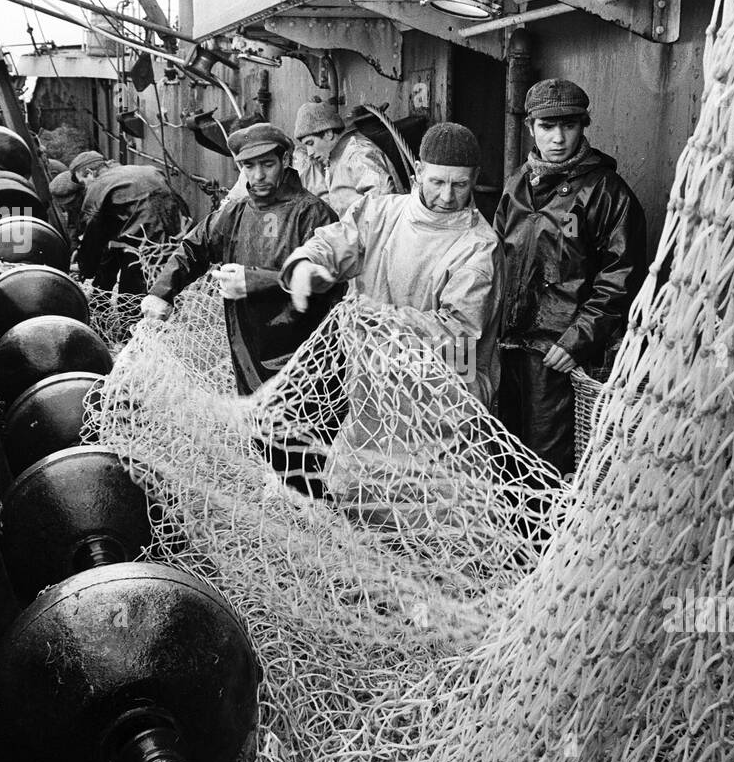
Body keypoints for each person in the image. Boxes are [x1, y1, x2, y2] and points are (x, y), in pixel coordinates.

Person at [142, 123, 343, 497]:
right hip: (249, 349)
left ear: (286, 160)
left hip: (305, 352)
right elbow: (193, 248)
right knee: (264, 438)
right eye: (247, 167)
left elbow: (331, 279)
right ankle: (292, 507)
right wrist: (161, 292)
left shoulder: (314, 214)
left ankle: (319, 522)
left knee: (303, 449)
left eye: (266, 164)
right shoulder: (233, 213)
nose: (257, 176)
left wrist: (257, 280)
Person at [282, 121, 502, 409]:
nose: (447, 197)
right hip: (372, 388)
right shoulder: (378, 212)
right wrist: (305, 262)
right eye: (437, 182)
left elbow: (458, 333)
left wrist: (378, 317)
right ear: (419, 171)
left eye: (459, 184)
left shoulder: (480, 245)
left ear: (475, 179)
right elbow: (332, 242)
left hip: (443, 399)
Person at [495, 79, 645, 476]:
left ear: (584, 126)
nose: (558, 138)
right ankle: (512, 537)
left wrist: (578, 340)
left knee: (550, 466)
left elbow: (621, 279)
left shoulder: (608, 192)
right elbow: (492, 263)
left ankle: (547, 540)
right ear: (531, 128)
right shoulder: (515, 187)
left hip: (559, 356)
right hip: (509, 346)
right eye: (547, 127)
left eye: (569, 125)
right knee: (505, 457)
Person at [69, 151, 188, 295]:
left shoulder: (98, 185)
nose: (85, 187)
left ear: (90, 173)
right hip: (176, 239)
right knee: (169, 292)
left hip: (145, 249)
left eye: (83, 182)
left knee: (130, 301)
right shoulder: (150, 170)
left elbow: (92, 234)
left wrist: (85, 268)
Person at [293, 100, 398, 217]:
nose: (309, 152)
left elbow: (383, 202)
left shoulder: (357, 153)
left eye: (310, 143)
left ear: (328, 133)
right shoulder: (335, 160)